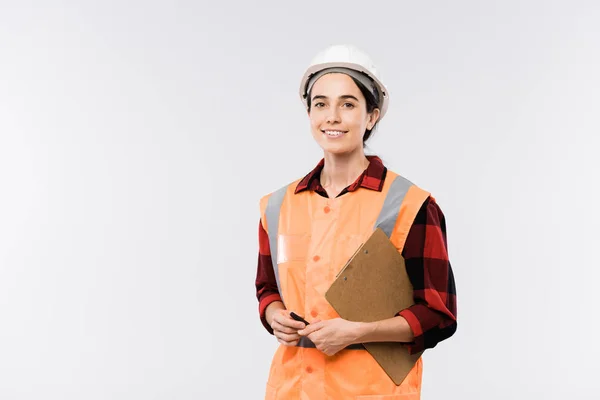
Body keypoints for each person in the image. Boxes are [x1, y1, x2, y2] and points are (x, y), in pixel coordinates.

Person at [254, 44, 457, 400]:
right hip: (291, 389)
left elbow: (437, 314)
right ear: (309, 113)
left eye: (348, 104)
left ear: (371, 116)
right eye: (321, 104)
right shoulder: (277, 206)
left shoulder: (410, 204)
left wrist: (357, 331)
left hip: (371, 392)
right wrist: (273, 316)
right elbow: (268, 289)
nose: (332, 116)